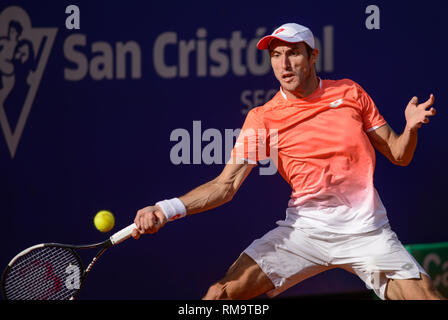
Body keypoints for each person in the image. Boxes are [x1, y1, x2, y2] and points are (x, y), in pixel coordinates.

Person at [131, 23, 443, 300]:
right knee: (220, 295)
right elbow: (225, 186)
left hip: (366, 231)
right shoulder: (262, 118)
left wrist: (410, 129)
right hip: (303, 232)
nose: (284, 64)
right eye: (276, 55)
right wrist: (166, 208)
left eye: (293, 53)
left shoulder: (350, 93)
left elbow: (399, 154)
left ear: (313, 56)